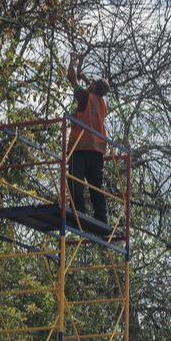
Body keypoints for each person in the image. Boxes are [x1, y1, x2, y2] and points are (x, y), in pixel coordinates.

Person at [65, 53, 110, 224]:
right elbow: (91, 86)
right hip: (97, 152)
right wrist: (84, 77)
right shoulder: (102, 103)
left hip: (80, 149)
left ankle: (79, 213)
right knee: (96, 187)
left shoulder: (85, 97)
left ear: (93, 88)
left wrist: (72, 63)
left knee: (75, 182)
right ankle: (102, 218)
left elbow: (71, 77)